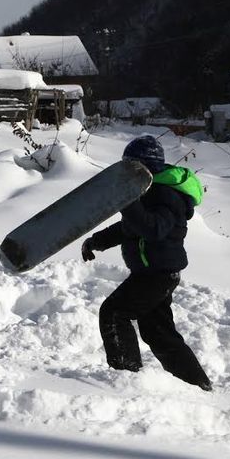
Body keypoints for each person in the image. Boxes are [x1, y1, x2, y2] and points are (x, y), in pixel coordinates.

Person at [81, 135, 212, 391]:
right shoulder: (149, 192)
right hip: (153, 272)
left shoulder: (166, 195)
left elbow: (153, 229)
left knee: (114, 313)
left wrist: (127, 200)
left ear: (146, 168)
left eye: (132, 168)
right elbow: (130, 226)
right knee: (157, 332)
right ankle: (197, 384)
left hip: (157, 274)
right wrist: (96, 241)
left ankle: (126, 377)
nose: (127, 173)